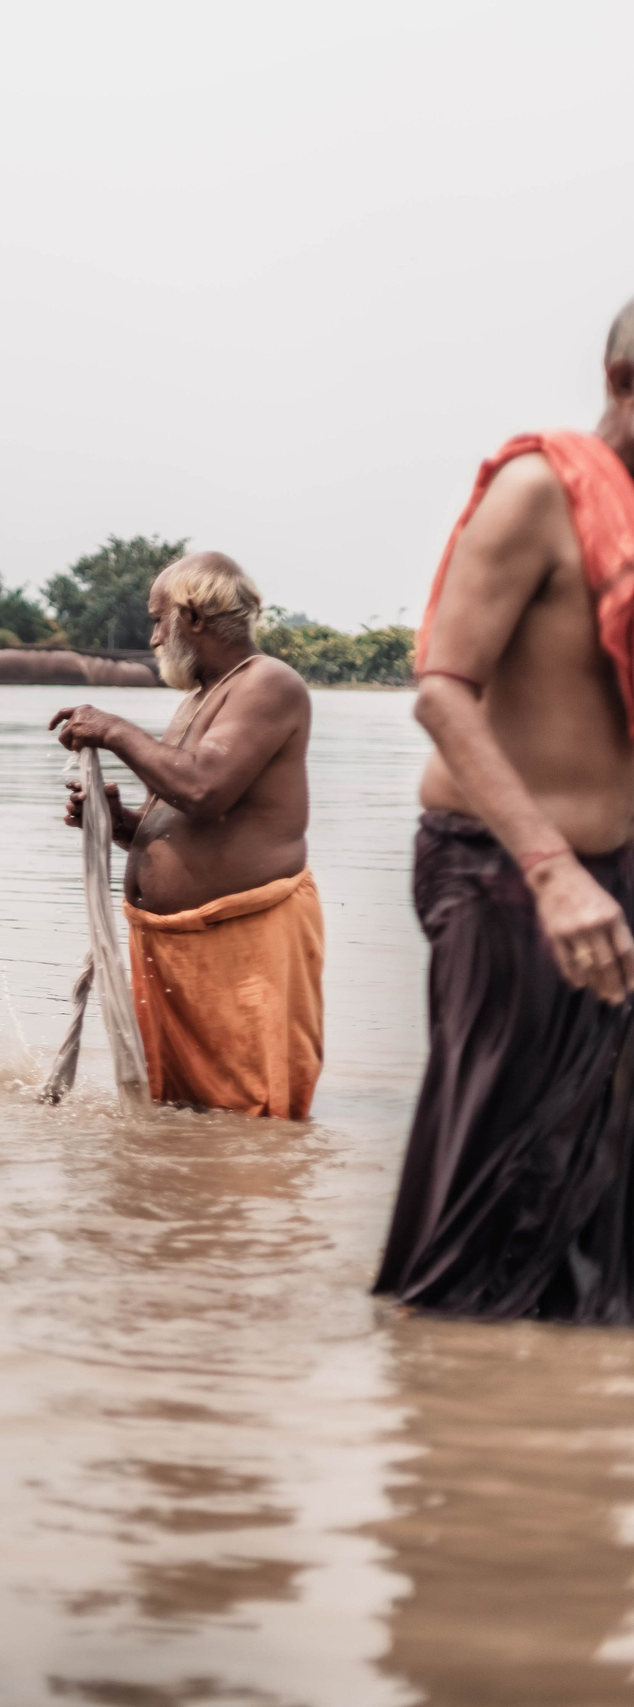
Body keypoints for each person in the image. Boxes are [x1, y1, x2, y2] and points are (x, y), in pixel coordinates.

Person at [374, 297, 634, 1323]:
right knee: (497, 1188)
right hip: (505, 875)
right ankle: (445, 1389)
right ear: (622, 381)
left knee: (596, 1193)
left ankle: (555, 1408)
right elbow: (442, 694)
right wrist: (552, 870)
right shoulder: (539, 491)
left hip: (612, 882)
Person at [47, 553, 321, 1119]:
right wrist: (119, 822)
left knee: (253, 1125)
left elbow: (203, 789)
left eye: (157, 620)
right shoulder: (202, 696)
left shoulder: (268, 682)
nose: (152, 638)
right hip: (173, 951)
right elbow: (196, 824)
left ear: (192, 617)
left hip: (242, 945)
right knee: (181, 1124)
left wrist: (112, 730)